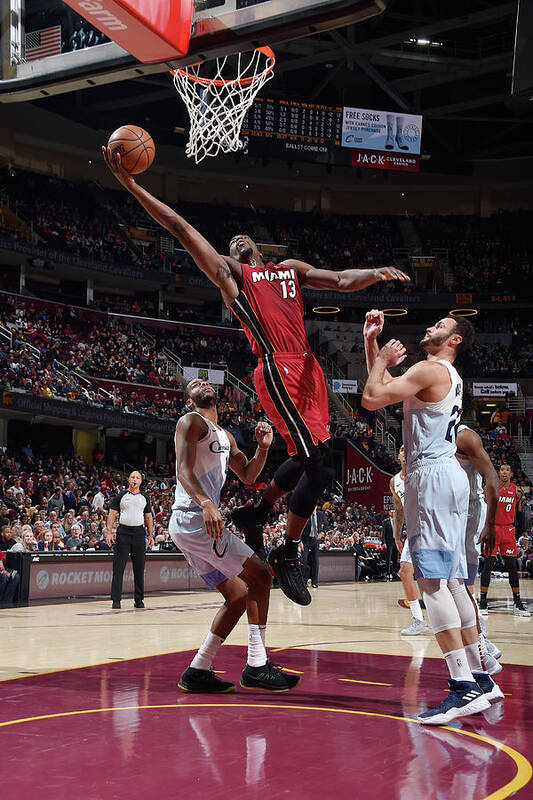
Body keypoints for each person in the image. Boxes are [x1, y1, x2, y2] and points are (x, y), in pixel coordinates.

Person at [102, 145, 409, 606]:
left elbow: (342, 280)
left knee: (323, 459)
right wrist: (130, 184)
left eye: (243, 240)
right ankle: (284, 547)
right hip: (279, 368)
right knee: (320, 464)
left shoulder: (288, 269)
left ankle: (259, 512)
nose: (238, 242)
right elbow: (181, 229)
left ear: (262, 247)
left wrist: (376, 273)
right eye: (231, 244)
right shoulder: (234, 277)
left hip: (310, 371)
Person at [362, 309, 501, 725]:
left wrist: (383, 359)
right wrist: (371, 344)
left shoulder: (430, 369)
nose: (430, 327)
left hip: (431, 477)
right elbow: (385, 389)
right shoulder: (441, 376)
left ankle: (462, 687)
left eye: (440, 326)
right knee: (454, 582)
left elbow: (371, 398)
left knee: (432, 583)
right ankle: (481, 676)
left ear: (455, 340)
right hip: (447, 478)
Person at [171, 377, 299, 693]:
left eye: (204, 380)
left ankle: (197, 670)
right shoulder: (190, 421)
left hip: (192, 525)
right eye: (193, 384)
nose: (201, 382)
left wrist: (264, 448)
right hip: (195, 519)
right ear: (190, 401)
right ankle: (256, 665)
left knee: (239, 596)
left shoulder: (226, 436)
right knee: (261, 577)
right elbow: (182, 469)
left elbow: (249, 475)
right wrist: (205, 504)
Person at [455, 424, 502, 675]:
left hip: (465, 515)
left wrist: (490, 524)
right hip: (455, 513)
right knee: (461, 586)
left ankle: (481, 655)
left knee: (457, 586)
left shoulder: (464, 436)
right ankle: (484, 645)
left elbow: (492, 481)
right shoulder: (438, 431)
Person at [388, 445, 429, 637]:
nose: (405, 453)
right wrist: (397, 535)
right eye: (402, 449)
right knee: (405, 572)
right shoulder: (394, 481)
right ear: (398, 454)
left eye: (408, 449)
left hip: (433, 528)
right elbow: (399, 509)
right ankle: (418, 620)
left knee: (447, 579)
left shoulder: (423, 474)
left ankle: (474, 620)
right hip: (413, 532)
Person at [479, 463, 530, 618]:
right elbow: (482, 508)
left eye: (507, 470)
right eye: (502, 470)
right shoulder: (491, 488)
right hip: (493, 529)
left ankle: (517, 602)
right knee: (488, 564)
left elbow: (521, 515)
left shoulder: (517, 491)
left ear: (511, 474)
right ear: (498, 473)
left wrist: (525, 536)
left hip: (508, 530)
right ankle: (482, 602)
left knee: (512, 566)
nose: (504, 472)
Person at [106, 471, 154, 610]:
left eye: (137, 478)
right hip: (123, 533)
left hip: (139, 533)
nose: (134, 479)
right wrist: (109, 532)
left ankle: (139, 600)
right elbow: (112, 514)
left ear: (141, 481)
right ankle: (116, 600)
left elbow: (148, 516)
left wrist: (150, 535)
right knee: (118, 568)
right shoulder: (121, 496)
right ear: (128, 480)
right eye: (132, 477)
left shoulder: (145, 497)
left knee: (139, 568)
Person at [301, 507, 324, 588]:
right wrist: (300, 541)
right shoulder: (304, 513)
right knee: (304, 560)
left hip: (315, 540)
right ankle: (303, 581)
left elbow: (326, 524)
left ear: (316, 507)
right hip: (305, 540)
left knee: (316, 560)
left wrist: (322, 532)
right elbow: (299, 527)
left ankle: (315, 582)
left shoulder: (320, 514)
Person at [381, 509, 398, 581]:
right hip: (389, 541)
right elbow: (383, 533)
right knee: (388, 558)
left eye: (394, 512)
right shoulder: (386, 521)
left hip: (396, 541)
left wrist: (399, 541)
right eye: (392, 512)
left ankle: (394, 572)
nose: (393, 513)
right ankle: (387, 572)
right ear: (389, 513)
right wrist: (384, 542)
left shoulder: (398, 521)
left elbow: (399, 532)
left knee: (395, 557)